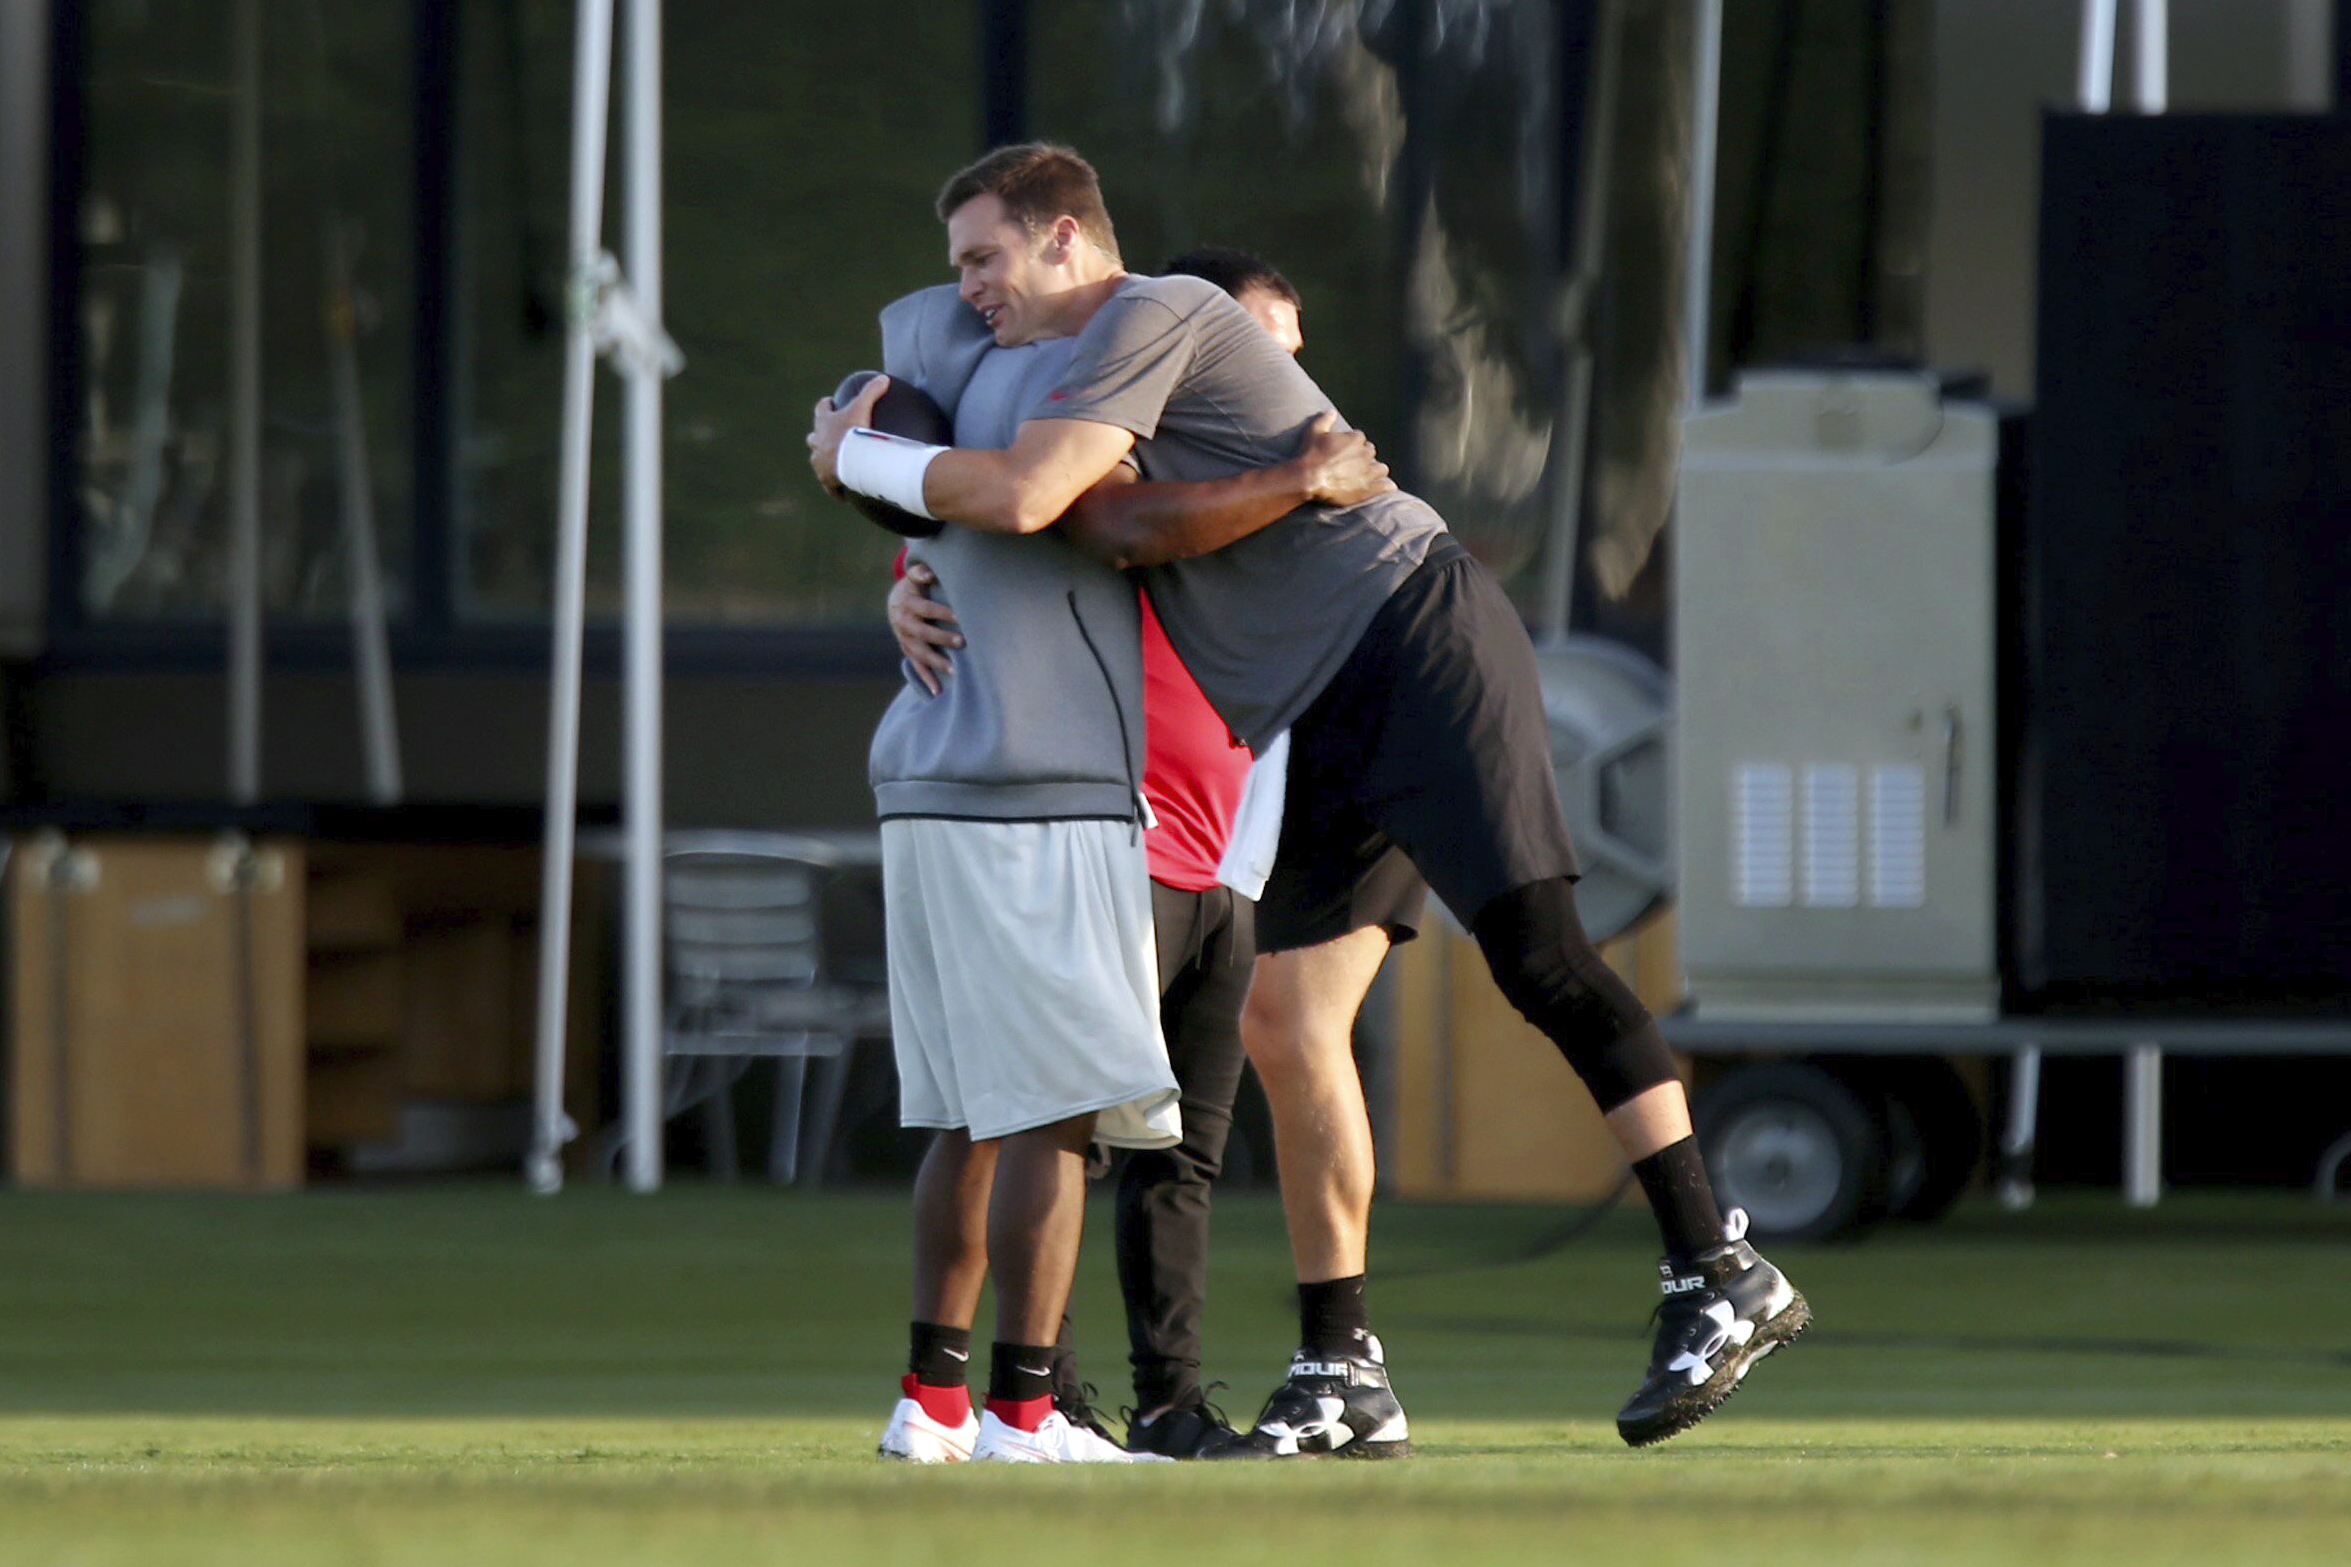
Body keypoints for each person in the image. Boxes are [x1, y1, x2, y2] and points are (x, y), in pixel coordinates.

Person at [811, 142, 1808, 1459]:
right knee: (1283, 1012)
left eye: (985, 257)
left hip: (1409, 632)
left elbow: (1079, 514)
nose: (969, 288)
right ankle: (1341, 1361)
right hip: (1303, 697)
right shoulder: (1034, 349)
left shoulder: (1150, 309)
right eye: (959, 268)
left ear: (1065, 238)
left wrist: (860, 459)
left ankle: (1712, 1260)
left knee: (1537, 950)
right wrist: (893, 537)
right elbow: (988, 464)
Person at [834, 195, 1390, 1462]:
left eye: (1291, 352)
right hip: (1083, 823)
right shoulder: (1114, 464)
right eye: (1251, 347)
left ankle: (1130, 1402)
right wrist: (875, 511)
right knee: (1043, 1123)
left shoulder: (1267, 493)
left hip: (1207, 852)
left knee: (1143, 1145)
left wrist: (869, 488)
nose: (1277, 377)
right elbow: (1021, 505)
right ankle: (1030, 1405)